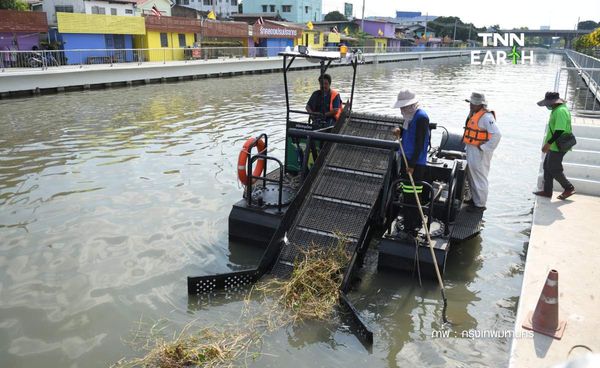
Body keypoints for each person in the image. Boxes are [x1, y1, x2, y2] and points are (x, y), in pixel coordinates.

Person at [392, 89, 430, 235]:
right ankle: (409, 221)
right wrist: (398, 130)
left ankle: (413, 225)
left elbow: (420, 143)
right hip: (406, 157)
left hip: (415, 163)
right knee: (407, 193)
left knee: (413, 194)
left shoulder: (421, 117)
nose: (401, 110)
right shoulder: (410, 116)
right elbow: (407, 132)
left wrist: (412, 165)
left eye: (403, 106)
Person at [462, 92, 501, 212]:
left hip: (480, 152)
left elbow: (497, 135)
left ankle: (480, 205)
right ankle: (474, 199)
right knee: (471, 174)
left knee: (479, 176)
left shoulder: (486, 117)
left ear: (481, 105)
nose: (471, 105)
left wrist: (484, 147)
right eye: (471, 103)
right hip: (472, 148)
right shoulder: (474, 114)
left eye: (474, 103)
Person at [533, 92, 575, 200]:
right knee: (547, 167)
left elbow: (559, 130)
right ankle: (547, 191)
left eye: (548, 104)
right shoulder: (557, 109)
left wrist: (548, 143)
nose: (548, 106)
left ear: (553, 103)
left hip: (558, 145)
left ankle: (569, 188)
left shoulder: (560, 111)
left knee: (554, 168)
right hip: (554, 145)